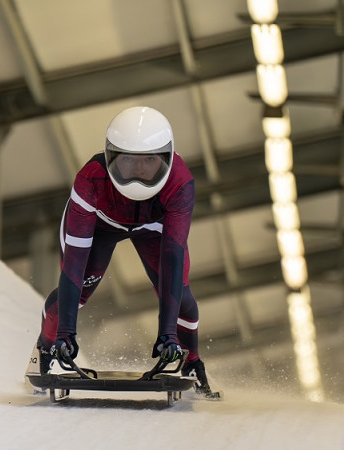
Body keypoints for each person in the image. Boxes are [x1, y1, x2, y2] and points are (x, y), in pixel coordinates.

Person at [35, 106, 212, 394]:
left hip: (154, 225)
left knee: (180, 293)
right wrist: (66, 333)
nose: (139, 173)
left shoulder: (181, 183)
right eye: (128, 162)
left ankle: (192, 359)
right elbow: (74, 267)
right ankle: (47, 346)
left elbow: (173, 257)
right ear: (111, 157)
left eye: (150, 162)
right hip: (101, 224)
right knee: (78, 291)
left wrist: (168, 334)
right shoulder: (89, 180)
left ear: (167, 158)